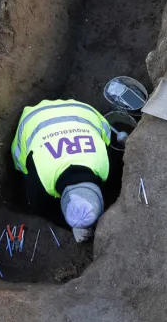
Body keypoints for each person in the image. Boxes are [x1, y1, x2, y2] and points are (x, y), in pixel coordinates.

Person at [11, 99, 126, 241]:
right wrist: (69, 224)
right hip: (38, 119)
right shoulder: (39, 181)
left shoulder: (105, 164)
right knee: (21, 160)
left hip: (80, 110)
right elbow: (40, 207)